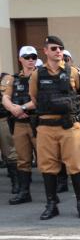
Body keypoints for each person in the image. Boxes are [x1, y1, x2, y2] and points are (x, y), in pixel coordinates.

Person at [29, 35, 80, 219]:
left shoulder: (74, 72)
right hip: (46, 128)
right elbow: (34, 98)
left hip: (69, 127)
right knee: (47, 166)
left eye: (61, 48)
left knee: (76, 165)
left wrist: (75, 114)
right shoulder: (37, 75)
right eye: (54, 48)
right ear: (46, 51)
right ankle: (51, 204)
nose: (58, 51)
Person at [3, 46, 39, 204]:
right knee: (22, 159)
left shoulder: (42, 75)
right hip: (19, 123)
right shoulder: (13, 78)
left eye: (33, 56)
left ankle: (53, 194)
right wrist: (14, 109)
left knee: (45, 159)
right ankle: (25, 193)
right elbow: (5, 97)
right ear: (20, 59)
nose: (31, 59)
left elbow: (41, 99)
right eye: (27, 56)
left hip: (37, 122)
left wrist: (22, 108)